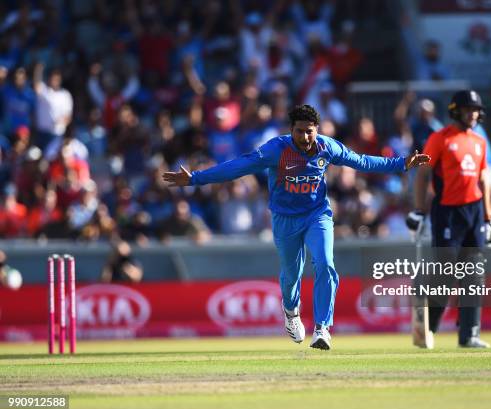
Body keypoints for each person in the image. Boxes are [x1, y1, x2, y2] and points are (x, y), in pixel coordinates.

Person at [163, 104, 430, 350]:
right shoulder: (276, 150)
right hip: (284, 219)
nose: (304, 137)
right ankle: (291, 312)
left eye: (309, 132)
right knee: (292, 276)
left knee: (325, 263)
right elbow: (239, 166)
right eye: (299, 132)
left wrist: (401, 163)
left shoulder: (327, 147)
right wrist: (196, 179)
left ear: (318, 130)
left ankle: (323, 328)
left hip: (317, 215)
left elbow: (360, 161)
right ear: (291, 131)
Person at [407, 90, 491, 349]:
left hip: (474, 213)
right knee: (446, 273)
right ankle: (428, 328)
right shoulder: (440, 138)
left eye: (476, 109)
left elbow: (483, 181)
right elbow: (423, 175)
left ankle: (469, 334)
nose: (473, 114)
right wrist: (418, 210)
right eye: (468, 109)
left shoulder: (479, 142)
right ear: (455, 110)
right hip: (447, 211)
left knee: (474, 274)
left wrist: (489, 217)